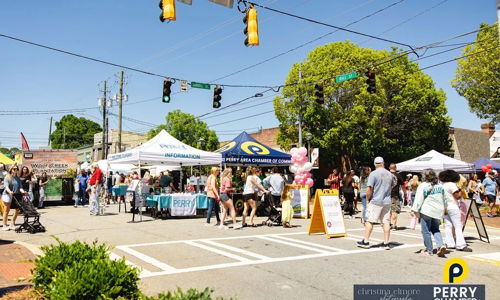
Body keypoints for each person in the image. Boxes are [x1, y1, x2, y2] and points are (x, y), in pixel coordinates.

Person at [357, 157, 394, 250]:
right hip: (387, 201)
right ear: (383, 163)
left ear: (375, 164)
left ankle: (366, 241)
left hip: (376, 200)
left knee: (369, 220)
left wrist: (368, 198)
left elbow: (369, 188)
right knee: (386, 222)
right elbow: (391, 186)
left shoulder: (373, 174)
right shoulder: (389, 174)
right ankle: (386, 243)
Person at [411, 169, 447, 257]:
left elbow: (419, 199)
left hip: (427, 210)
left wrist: (414, 210)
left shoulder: (423, 186)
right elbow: (444, 198)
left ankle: (429, 249)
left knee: (425, 231)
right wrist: (445, 208)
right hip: (438, 210)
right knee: (435, 229)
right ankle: (440, 245)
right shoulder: (440, 186)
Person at [439, 170, 472, 252]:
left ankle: (449, 243)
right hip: (453, 207)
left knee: (448, 226)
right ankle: (461, 245)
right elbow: (457, 196)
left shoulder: (441, 185)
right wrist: (461, 189)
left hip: (445, 207)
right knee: (458, 226)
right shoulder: (452, 185)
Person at [2, 165, 24, 231]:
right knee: (6, 210)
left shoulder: (18, 178)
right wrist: (10, 191)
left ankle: (12, 223)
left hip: (16, 195)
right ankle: (4, 225)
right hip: (7, 195)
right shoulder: (7, 177)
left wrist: (23, 192)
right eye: (14, 169)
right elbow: (6, 187)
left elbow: (20, 187)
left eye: (16, 169)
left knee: (17, 210)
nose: (15, 170)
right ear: (11, 169)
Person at [389, 164, 403, 230]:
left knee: (388, 210)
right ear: (395, 168)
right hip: (394, 195)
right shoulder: (398, 175)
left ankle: (388, 224)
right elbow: (402, 185)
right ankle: (394, 225)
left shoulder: (385, 174)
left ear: (389, 168)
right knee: (395, 210)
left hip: (386, 195)